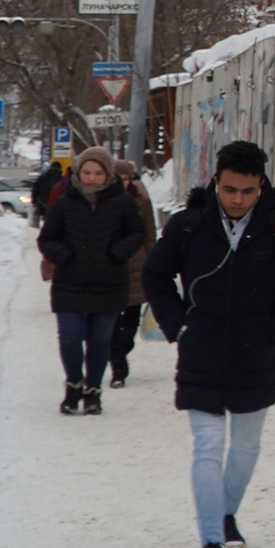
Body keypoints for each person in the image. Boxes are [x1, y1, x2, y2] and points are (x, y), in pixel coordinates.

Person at [143, 140, 275, 548]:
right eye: (228, 190)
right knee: (206, 444)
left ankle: (225, 515)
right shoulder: (189, 225)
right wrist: (177, 323)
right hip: (200, 348)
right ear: (215, 183)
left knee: (244, 446)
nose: (237, 199)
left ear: (261, 185)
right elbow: (155, 274)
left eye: (246, 190)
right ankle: (211, 543)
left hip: (255, 351)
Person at [37, 147, 145, 416]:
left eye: (98, 173)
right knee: (70, 338)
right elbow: (46, 238)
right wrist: (65, 256)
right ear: (78, 172)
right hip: (69, 282)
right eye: (87, 172)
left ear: (108, 174)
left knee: (99, 340)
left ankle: (93, 391)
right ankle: (74, 383)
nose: (92, 178)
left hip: (109, 281)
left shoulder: (122, 202)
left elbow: (138, 233)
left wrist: (116, 253)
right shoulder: (65, 202)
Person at [107, 158, 159, 388]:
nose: (124, 183)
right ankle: (118, 367)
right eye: (120, 179)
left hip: (138, 265)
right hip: (112, 265)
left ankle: (122, 349)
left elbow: (150, 232)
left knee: (130, 319)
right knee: (109, 321)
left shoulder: (142, 201)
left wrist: (150, 256)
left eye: (127, 179)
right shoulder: (104, 200)